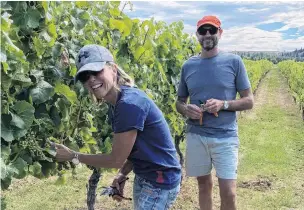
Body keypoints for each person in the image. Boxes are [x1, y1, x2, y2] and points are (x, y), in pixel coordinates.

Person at [55, 44, 181, 209]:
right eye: (85, 76)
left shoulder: (129, 104)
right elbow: (135, 149)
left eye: (96, 71)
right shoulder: (118, 102)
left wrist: (73, 155)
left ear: (113, 69)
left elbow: (116, 159)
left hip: (159, 181)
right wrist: (121, 174)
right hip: (148, 176)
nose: (91, 79)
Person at [175, 15, 254, 210]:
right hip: (196, 136)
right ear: (197, 35)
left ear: (220, 32)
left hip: (225, 136)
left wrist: (223, 104)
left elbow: (249, 101)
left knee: (229, 192)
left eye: (212, 30)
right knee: (203, 186)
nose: (207, 34)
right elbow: (179, 102)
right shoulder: (188, 66)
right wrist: (186, 110)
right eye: (203, 31)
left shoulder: (234, 62)